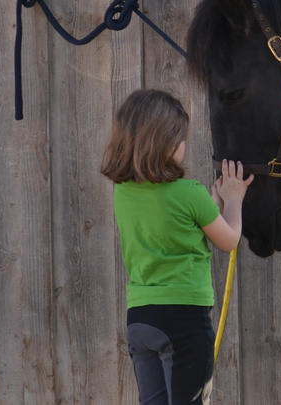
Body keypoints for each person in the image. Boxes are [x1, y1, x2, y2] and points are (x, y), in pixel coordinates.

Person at [101, 88, 253, 405]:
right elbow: (229, 239)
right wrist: (234, 201)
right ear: (168, 144)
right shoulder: (189, 193)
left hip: (141, 318)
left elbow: (172, 223)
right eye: (181, 139)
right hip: (183, 318)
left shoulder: (123, 193)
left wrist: (209, 206)